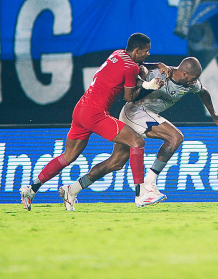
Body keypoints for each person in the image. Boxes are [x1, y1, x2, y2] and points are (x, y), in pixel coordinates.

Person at [20, 33, 170, 210]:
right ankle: (141, 195)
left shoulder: (118, 54)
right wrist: (149, 86)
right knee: (137, 142)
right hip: (95, 114)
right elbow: (129, 97)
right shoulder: (131, 68)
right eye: (146, 51)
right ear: (136, 51)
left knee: (67, 156)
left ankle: (32, 189)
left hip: (81, 109)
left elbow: (135, 68)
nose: (148, 55)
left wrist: (154, 68)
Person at [60, 57, 218, 207]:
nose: (195, 81)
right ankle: (148, 184)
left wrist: (214, 115)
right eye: (194, 77)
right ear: (184, 73)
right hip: (134, 111)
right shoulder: (161, 73)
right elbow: (137, 66)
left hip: (145, 114)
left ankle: (72, 189)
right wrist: (154, 66)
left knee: (116, 162)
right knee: (175, 137)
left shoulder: (190, 84)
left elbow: (204, 93)